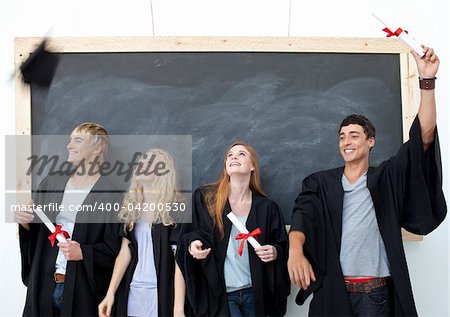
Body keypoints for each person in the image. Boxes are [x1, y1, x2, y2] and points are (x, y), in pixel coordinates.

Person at [287, 46, 447, 316]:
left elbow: (425, 137)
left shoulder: (386, 178)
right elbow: (303, 215)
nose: (346, 142)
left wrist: (426, 81)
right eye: (341, 137)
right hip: (334, 293)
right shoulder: (320, 183)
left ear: (370, 141)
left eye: (354, 135)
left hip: (376, 296)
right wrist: (295, 250)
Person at [14, 122, 123, 316]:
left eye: (78, 140)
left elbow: (114, 248)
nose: (69, 145)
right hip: (44, 286)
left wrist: (84, 252)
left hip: (81, 291)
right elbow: (37, 234)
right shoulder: (52, 184)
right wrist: (25, 223)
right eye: (70, 140)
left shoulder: (111, 195)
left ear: (98, 148)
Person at [177, 141, 290, 317]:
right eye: (230, 155)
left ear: (252, 166)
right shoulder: (207, 199)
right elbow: (188, 236)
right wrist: (194, 244)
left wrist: (275, 251)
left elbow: (282, 245)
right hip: (220, 295)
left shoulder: (267, 208)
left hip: (255, 293)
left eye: (241, 154)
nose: (234, 157)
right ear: (225, 166)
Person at [98, 148, 185, 317]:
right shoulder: (132, 209)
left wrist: (178, 308)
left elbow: (179, 261)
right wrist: (110, 294)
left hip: (162, 292)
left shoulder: (175, 210)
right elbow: (124, 253)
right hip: (133, 289)